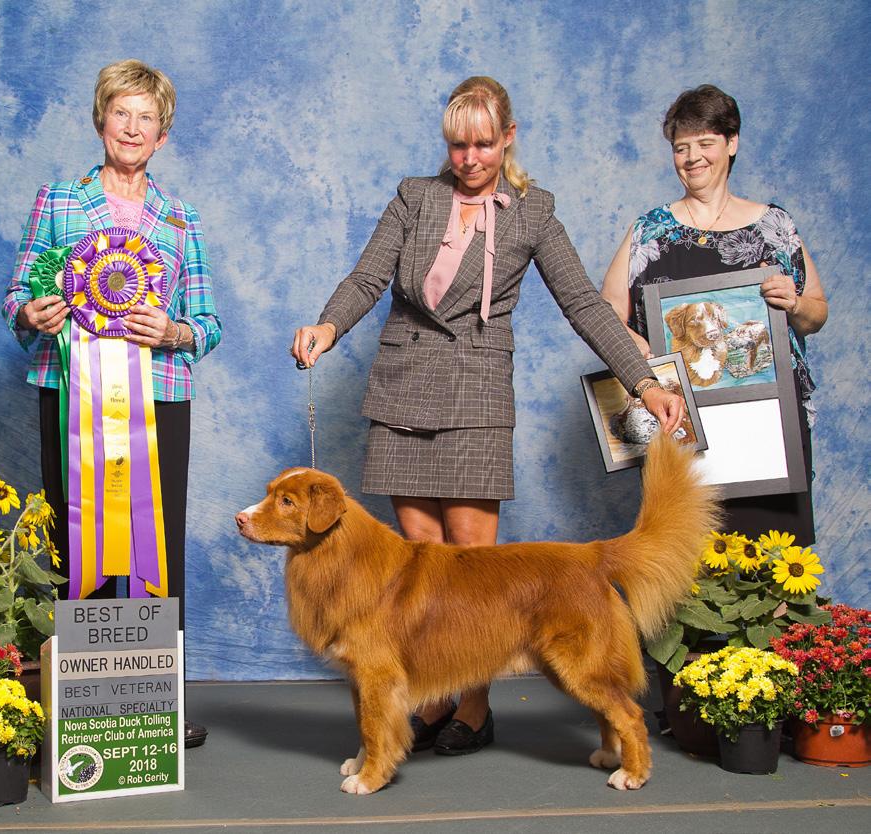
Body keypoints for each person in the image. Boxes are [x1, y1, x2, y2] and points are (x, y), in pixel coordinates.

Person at [293, 76, 684, 756]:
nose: (469, 158)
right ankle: (433, 698)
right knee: (419, 567)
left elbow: (584, 304)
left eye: (481, 144)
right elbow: (366, 277)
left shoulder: (533, 213)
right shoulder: (415, 197)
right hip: (401, 389)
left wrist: (643, 380)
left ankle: (473, 706)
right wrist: (328, 326)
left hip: (476, 396)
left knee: (472, 569)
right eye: (457, 145)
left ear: (507, 138)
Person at [3, 59, 221, 748]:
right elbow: (16, 295)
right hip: (72, 394)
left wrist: (174, 331)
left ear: (162, 135)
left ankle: (158, 705)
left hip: (161, 396)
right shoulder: (57, 201)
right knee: (78, 544)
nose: (131, 128)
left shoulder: (182, 219)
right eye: (121, 113)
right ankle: (87, 702)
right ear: (101, 121)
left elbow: (208, 323)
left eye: (145, 118)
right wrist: (31, 312)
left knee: (159, 550)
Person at [601, 84, 827, 544]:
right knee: (684, 559)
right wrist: (633, 343)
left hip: (768, 425)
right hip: (680, 423)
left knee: (775, 558)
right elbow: (604, 312)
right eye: (681, 147)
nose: (692, 158)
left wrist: (795, 303)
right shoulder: (649, 231)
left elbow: (816, 314)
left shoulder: (775, 226)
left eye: (705, 143)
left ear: (732, 142)